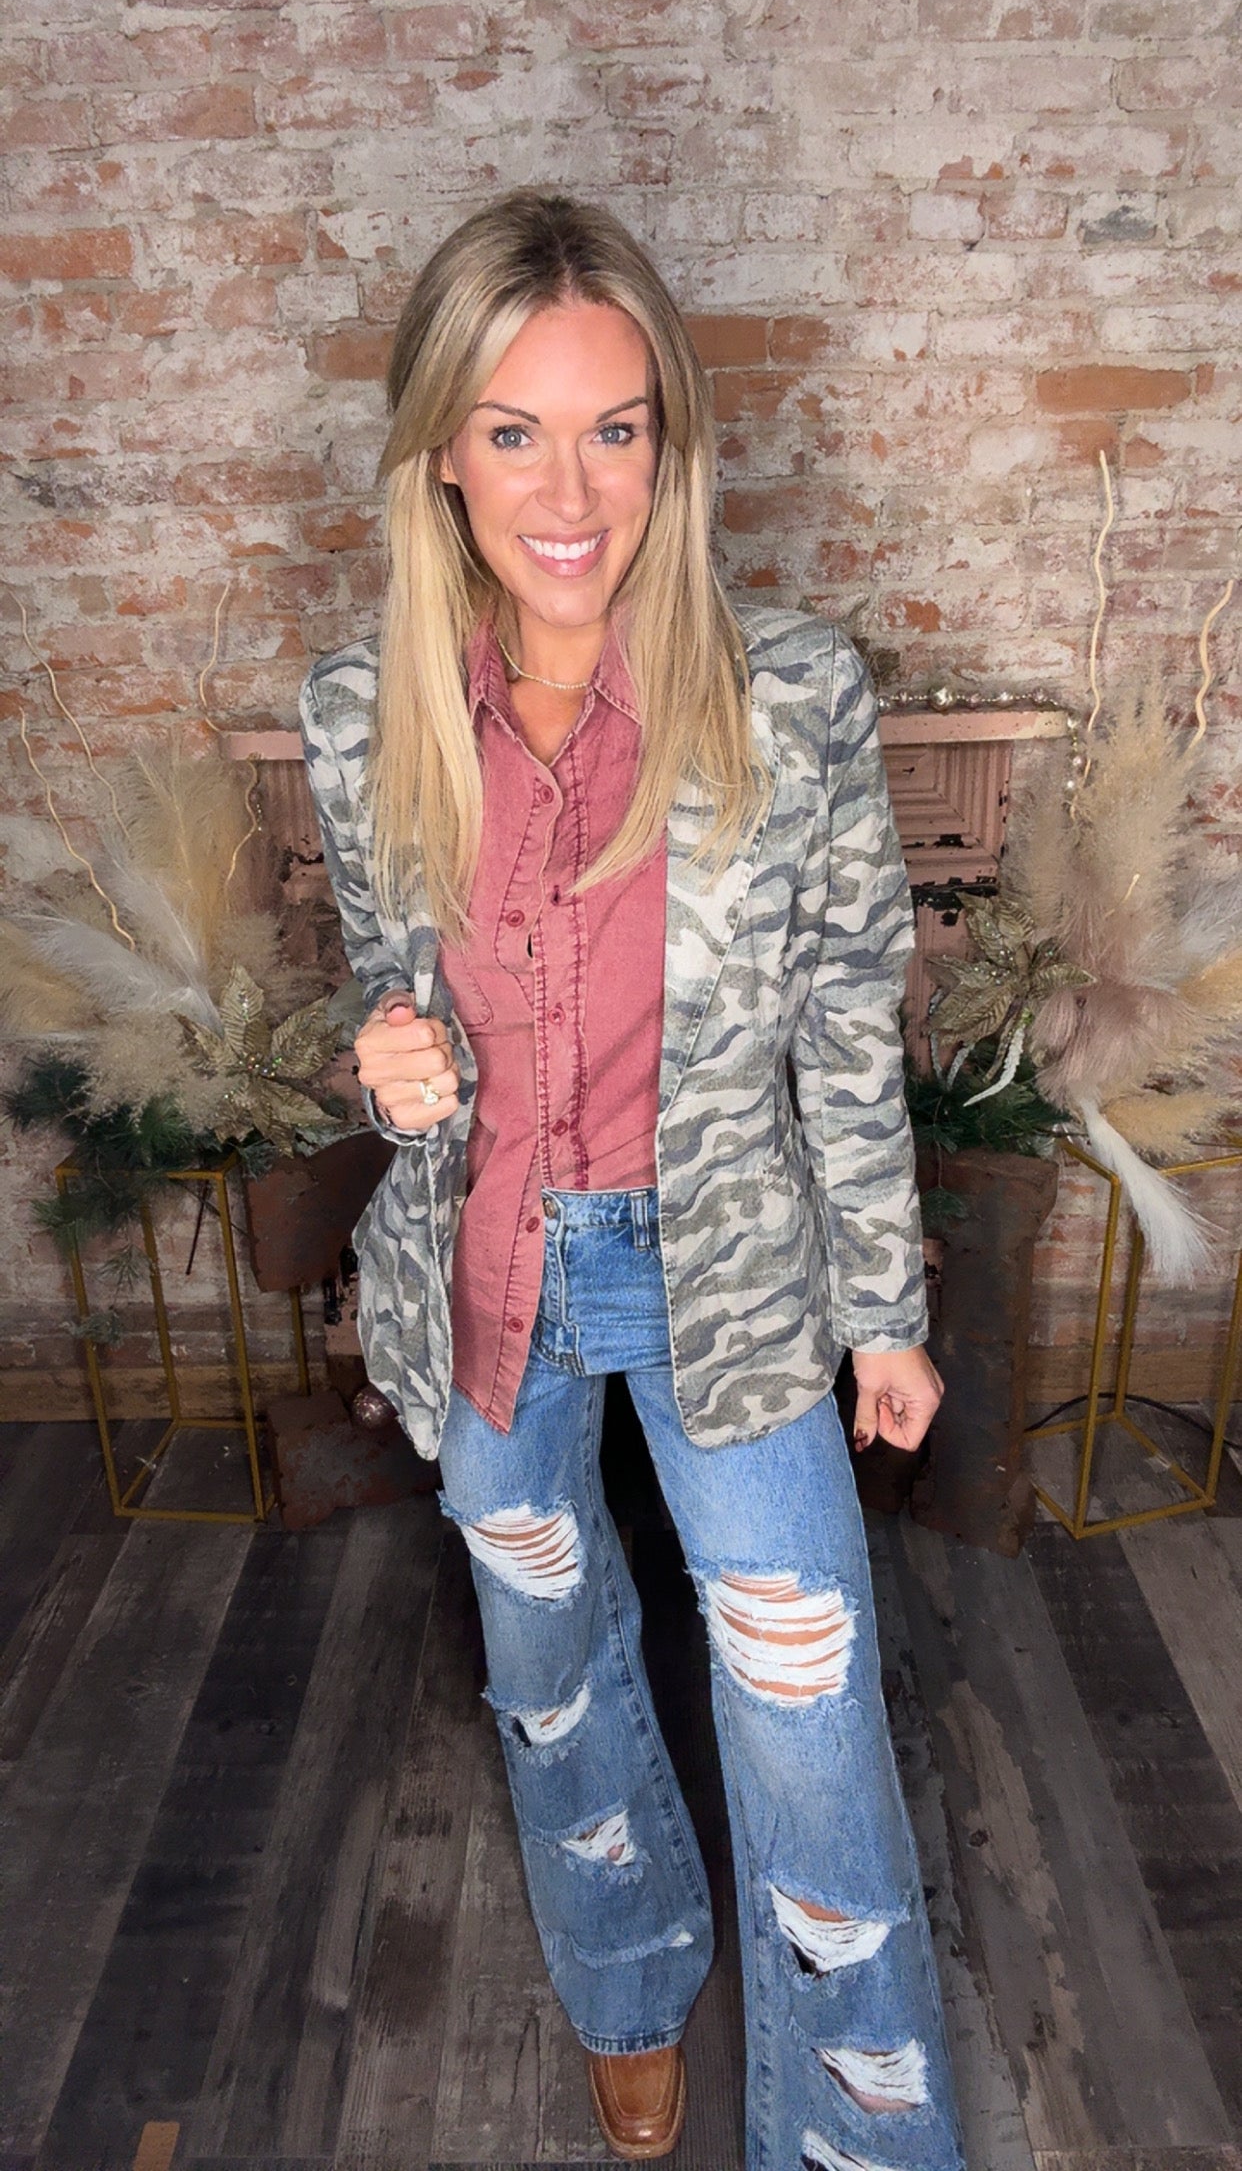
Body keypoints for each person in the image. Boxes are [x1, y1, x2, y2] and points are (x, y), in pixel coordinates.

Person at [300, 188, 966, 2171]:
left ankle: (854, 2139)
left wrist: (885, 1311)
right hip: (491, 1277)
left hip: (727, 1275)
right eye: (515, 431)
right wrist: (384, 1057)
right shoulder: (364, 713)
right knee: (553, 1678)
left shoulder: (792, 695)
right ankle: (624, 1980)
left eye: (614, 428)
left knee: (809, 1726)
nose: (569, 489)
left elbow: (846, 1018)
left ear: (669, 443)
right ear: (443, 452)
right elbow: (384, 995)